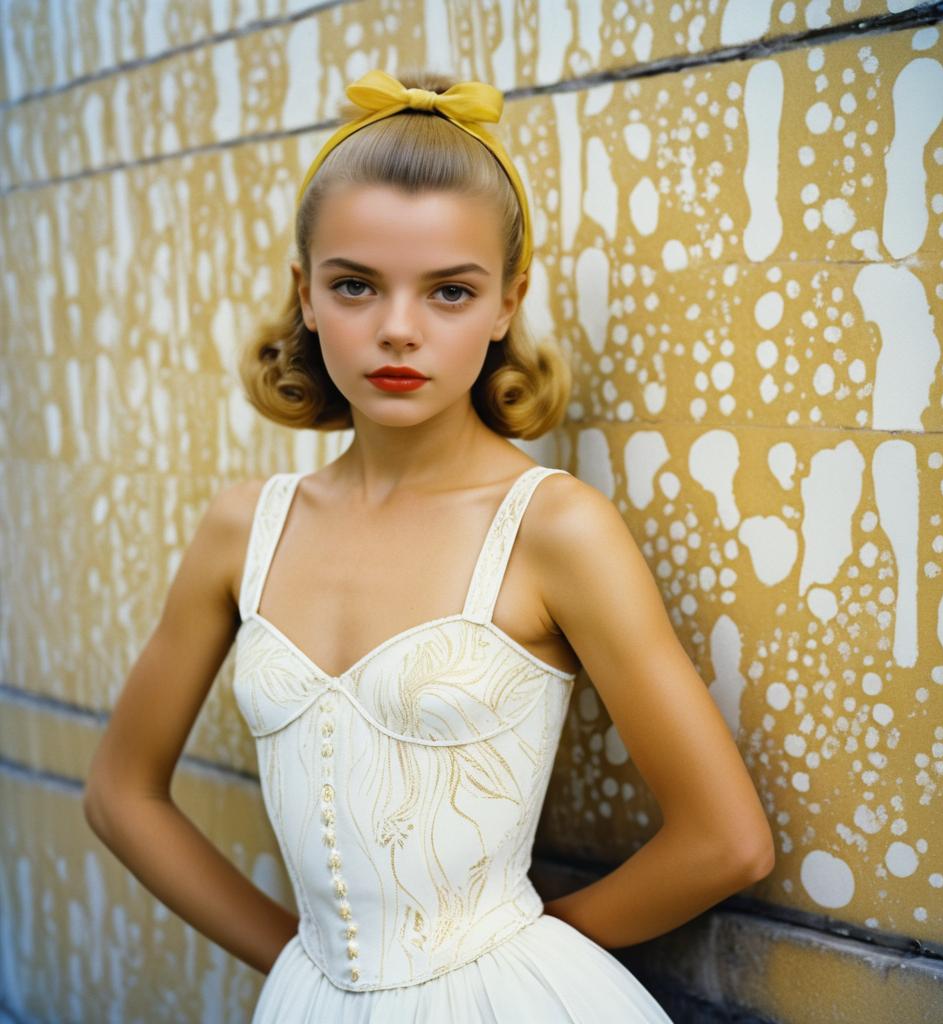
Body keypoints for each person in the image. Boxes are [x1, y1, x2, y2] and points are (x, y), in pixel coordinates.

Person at [84, 67, 775, 1021]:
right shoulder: (243, 527)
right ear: (307, 294)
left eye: (450, 292)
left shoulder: (553, 527)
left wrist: (502, 969)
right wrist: (300, 966)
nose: (398, 330)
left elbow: (726, 841)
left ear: (505, 305)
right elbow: (122, 794)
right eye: (356, 285)